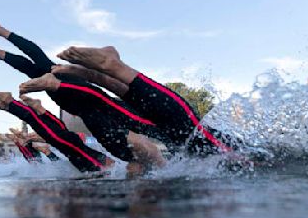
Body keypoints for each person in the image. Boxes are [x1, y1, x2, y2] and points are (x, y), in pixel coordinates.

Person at [0, 20, 170, 162]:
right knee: (43, 67)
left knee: (41, 67)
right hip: (79, 99)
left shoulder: (128, 142)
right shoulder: (140, 130)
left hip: (79, 102)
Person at [47, 45, 237, 156]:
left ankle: (96, 72)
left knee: (182, 133)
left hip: (175, 142)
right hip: (216, 149)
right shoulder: (244, 156)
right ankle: (114, 67)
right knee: (192, 132)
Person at [0, 92, 164, 175]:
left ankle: (18, 107)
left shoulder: (121, 166)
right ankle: (13, 104)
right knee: (57, 137)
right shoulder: (117, 165)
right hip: (86, 155)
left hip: (82, 156)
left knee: (56, 137)